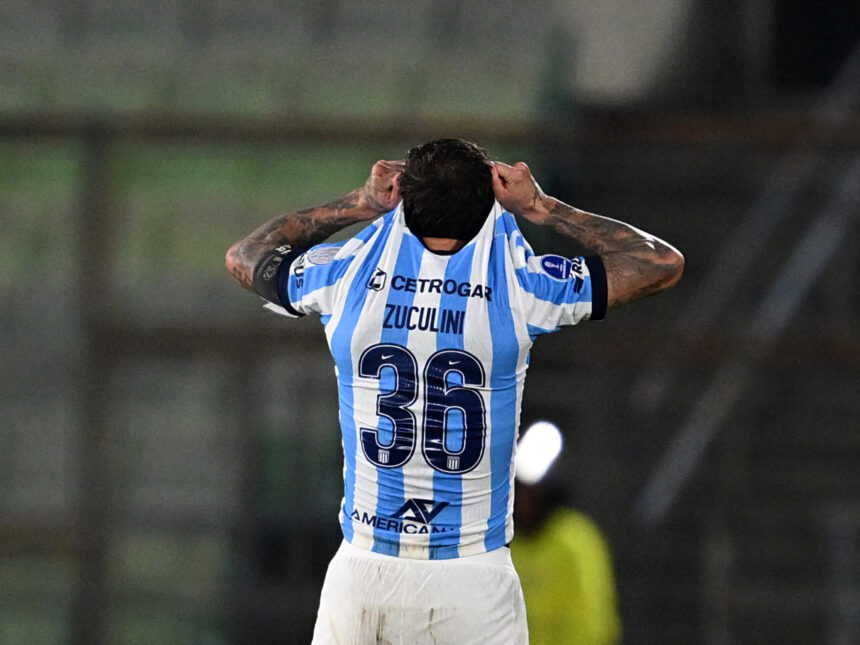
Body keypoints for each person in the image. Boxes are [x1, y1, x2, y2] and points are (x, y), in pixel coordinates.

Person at [225, 138, 683, 644]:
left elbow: (246, 256)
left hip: (362, 570)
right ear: (487, 202)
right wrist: (540, 206)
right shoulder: (519, 283)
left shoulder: (347, 272)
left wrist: (359, 203)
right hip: (470, 577)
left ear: (403, 196)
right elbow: (659, 263)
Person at [512, 454, 621, 645]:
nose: (523, 501)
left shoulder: (574, 539)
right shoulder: (508, 544)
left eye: (529, 493)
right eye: (518, 492)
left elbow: (592, 622)